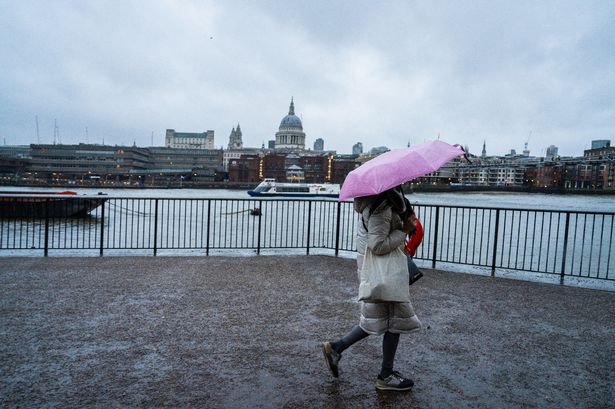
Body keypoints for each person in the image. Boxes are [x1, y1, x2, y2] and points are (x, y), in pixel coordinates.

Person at [322, 186, 422, 391]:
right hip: (384, 273)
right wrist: (402, 230)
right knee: (395, 322)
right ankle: (385, 375)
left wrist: (402, 225)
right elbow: (377, 245)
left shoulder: (377, 203)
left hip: (379, 272)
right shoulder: (382, 208)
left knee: (379, 319)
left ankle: (337, 348)